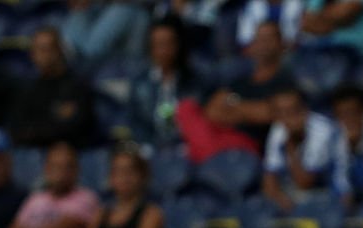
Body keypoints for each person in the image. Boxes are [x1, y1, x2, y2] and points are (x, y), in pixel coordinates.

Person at [177, 20, 294, 162]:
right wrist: (250, 110)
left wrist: (233, 106)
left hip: (248, 143)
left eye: (269, 38)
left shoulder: (285, 80)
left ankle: (203, 158)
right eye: (260, 39)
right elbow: (212, 112)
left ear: (281, 43)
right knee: (186, 108)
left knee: (195, 149)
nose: (264, 44)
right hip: (220, 134)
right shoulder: (241, 80)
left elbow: (269, 114)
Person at [261, 86, 350, 212]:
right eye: (280, 112)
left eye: (292, 110)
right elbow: (269, 180)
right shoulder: (279, 128)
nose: (287, 117)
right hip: (302, 196)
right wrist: (279, 200)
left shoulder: (322, 131)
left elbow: (305, 182)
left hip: (334, 194)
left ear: (304, 110)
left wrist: (290, 145)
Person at [8, 26, 96, 149]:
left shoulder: (77, 86)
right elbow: (17, 129)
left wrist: (38, 130)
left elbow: (75, 128)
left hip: (70, 153)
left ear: (59, 51)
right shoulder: (29, 89)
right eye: (36, 50)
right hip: (34, 155)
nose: (40, 55)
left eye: (45, 49)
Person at [88, 143, 164, 228]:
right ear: (111, 178)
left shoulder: (152, 213)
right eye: (118, 171)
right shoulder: (101, 213)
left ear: (142, 176)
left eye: (129, 171)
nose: (124, 177)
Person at [129, 16, 204, 148]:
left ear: (178, 45)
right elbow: (135, 123)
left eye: (168, 44)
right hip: (150, 148)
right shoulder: (139, 84)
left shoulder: (194, 82)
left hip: (186, 147)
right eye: (157, 45)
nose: (163, 51)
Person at [299, 0, 363, 59]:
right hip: (322, 47)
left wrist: (319, 19)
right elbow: (306, 23)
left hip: (357, 52)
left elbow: (342, 16)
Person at [237, 0, 306, 48]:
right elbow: (245, 40)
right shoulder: (252, 5)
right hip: (258, 52)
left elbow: (302, 35)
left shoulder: (297, 4)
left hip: (290, 51)